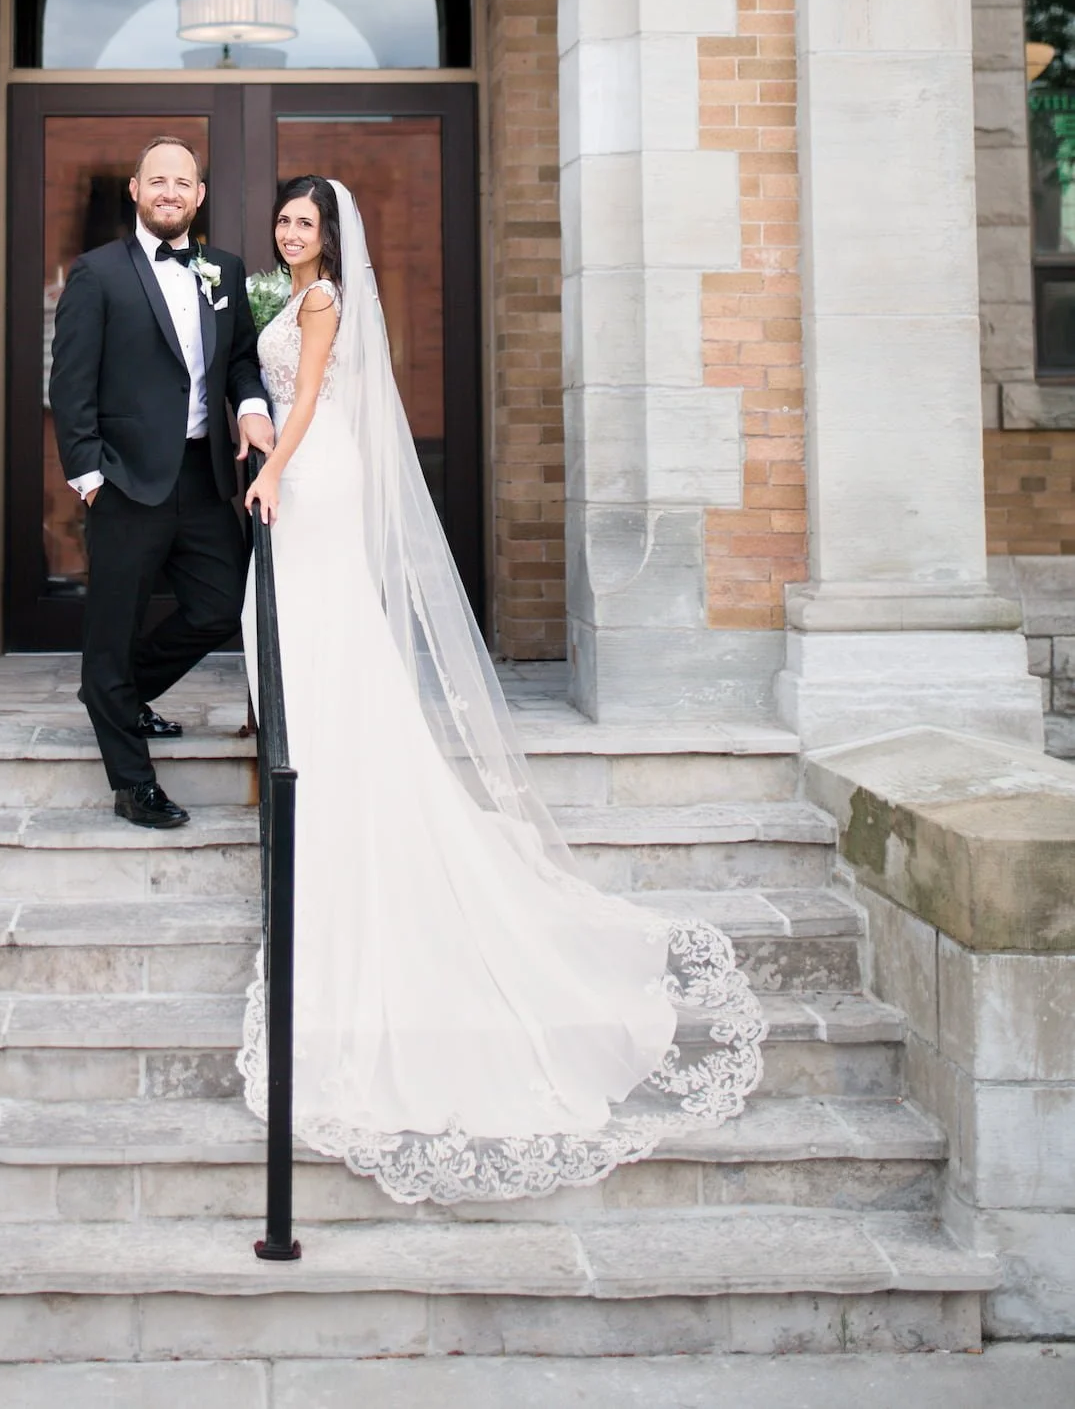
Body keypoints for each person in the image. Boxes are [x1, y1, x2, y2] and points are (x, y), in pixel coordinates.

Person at [239, 175, 765, 1203]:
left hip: (314, 472)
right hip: (303, 467)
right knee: (301, 632)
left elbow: (305, 397)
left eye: (304, 222)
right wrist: (257, 438)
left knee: (315, 628)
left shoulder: (318, 302)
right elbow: (278, 397)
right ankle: (322, 770)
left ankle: (334, 780)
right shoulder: (286, 296)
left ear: (330, 235)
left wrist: (270, 464)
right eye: (284, 220)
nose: (289, 231)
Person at [49, 136, 276, 830]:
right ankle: (132, 782)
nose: (169, 192)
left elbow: (239, 360)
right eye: (157, 181)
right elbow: (70, 382)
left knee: (216, 606)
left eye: (182, 181)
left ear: (198, 195)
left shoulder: (223, 270)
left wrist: (251, 405)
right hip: (123, 480)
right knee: (111, 632)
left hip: (204, 475)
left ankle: (119, 696)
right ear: (136, 190)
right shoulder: (96, 273)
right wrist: (88, 477)